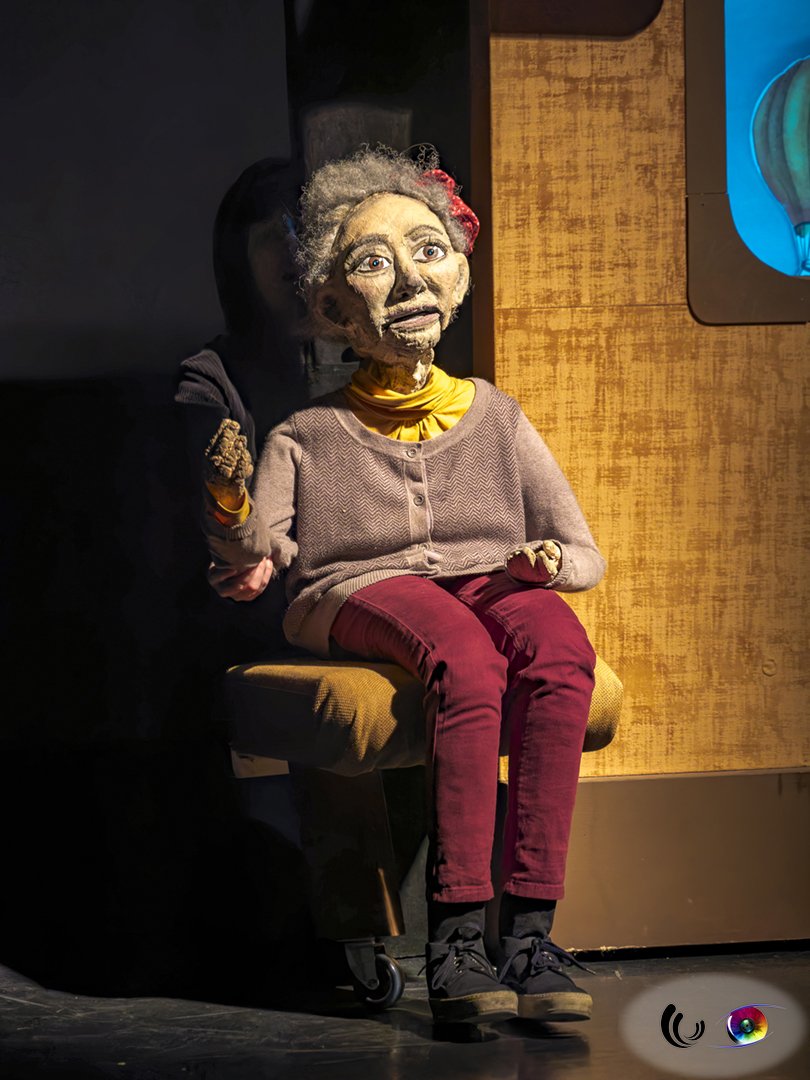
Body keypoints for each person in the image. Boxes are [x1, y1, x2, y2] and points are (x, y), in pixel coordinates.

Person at [202, 147, 606, 1026]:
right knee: (464, 656)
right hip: (359, 589)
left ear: (457, 274)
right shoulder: (305, 435)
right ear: (332, 307)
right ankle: (456, 940)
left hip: (489, 579)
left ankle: (529, 935)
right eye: (374, 263)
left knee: (560, 648)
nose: (410, 279)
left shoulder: (496, 416)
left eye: (427, 251)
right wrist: (234, 518)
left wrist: (547, 565)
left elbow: (583, 553)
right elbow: (264, 546)